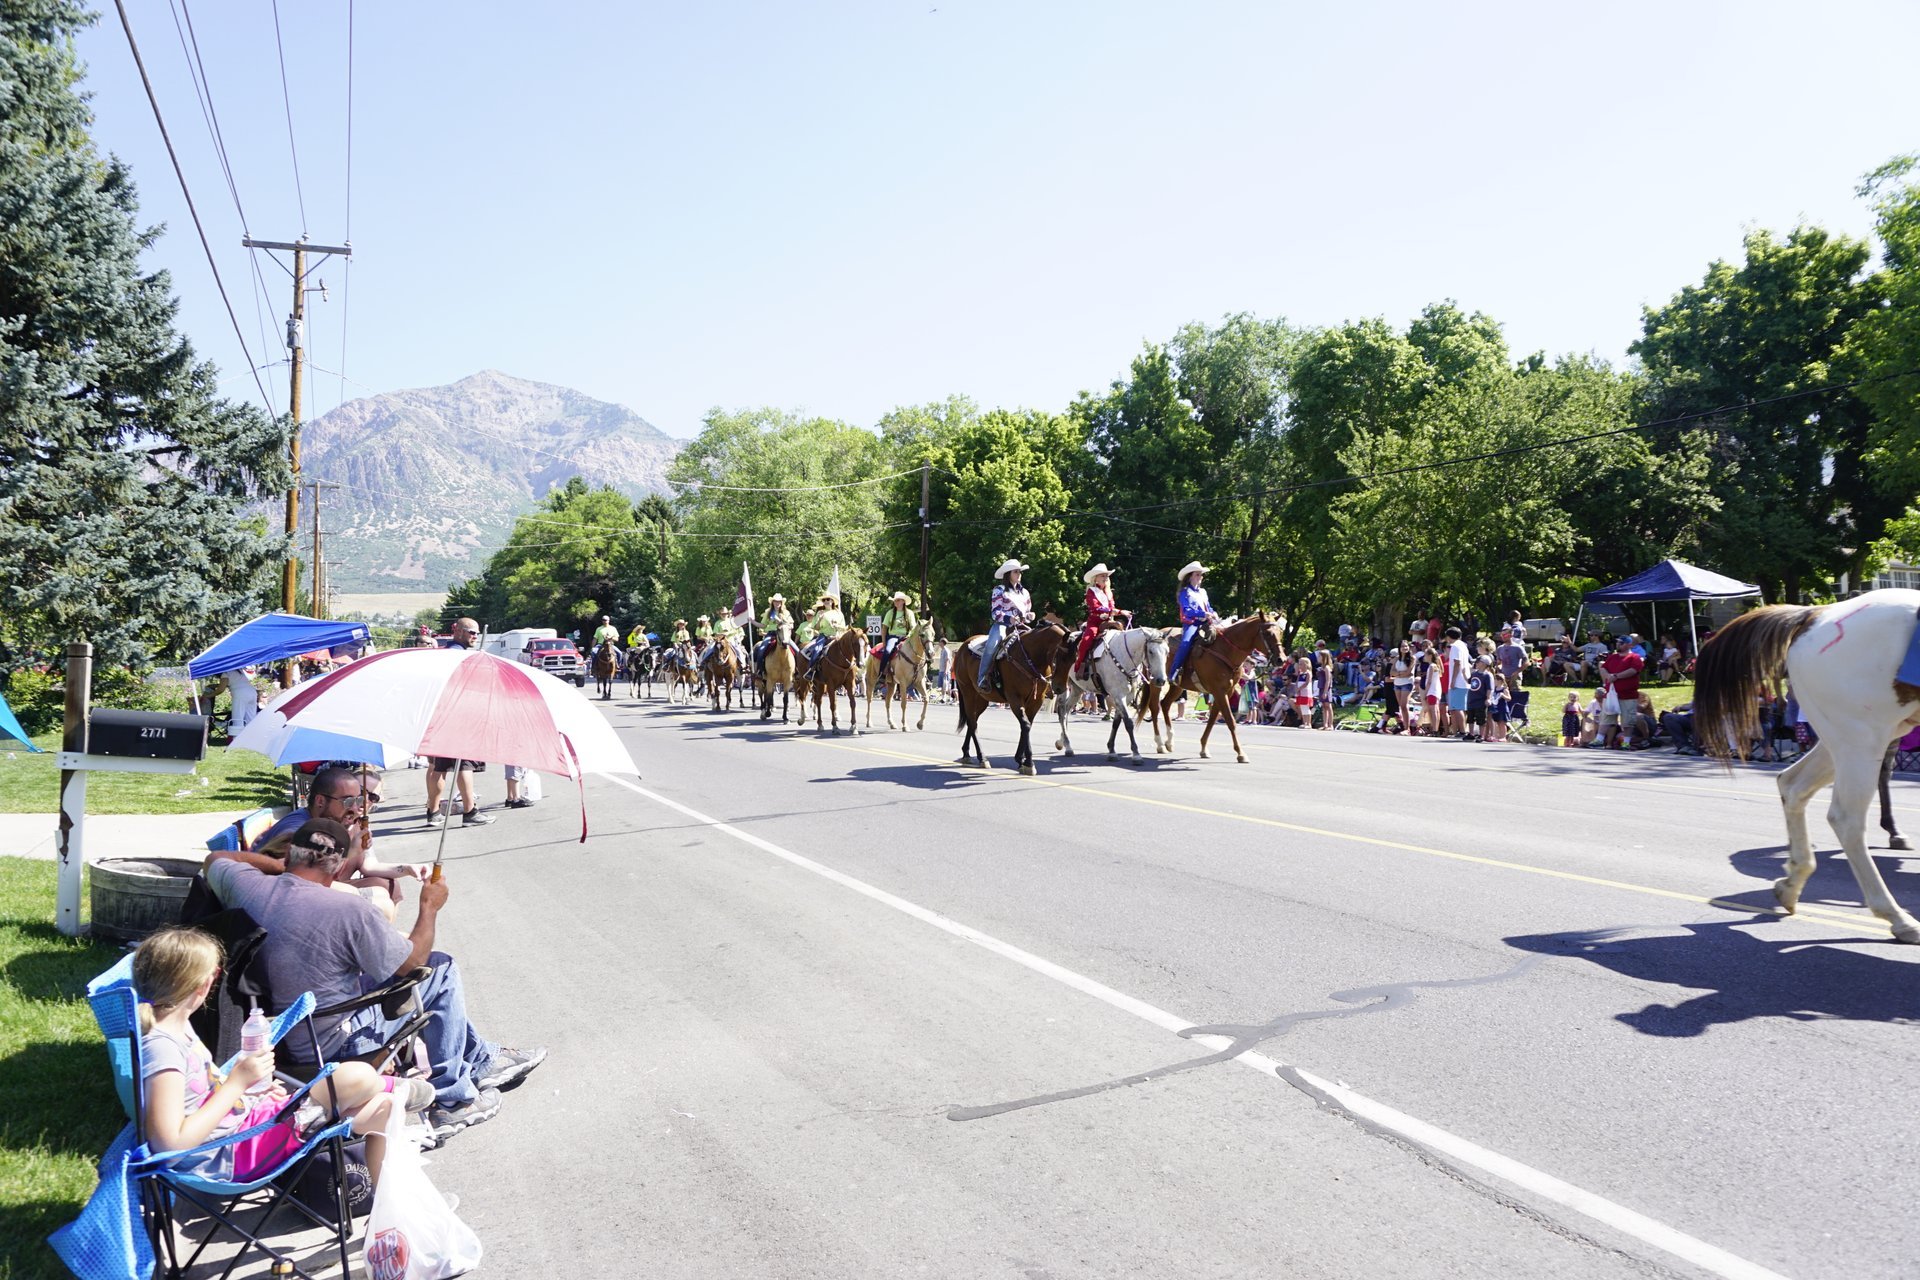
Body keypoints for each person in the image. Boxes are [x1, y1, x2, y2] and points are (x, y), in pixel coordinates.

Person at [205, 818, 546, 1140]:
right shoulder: (349, 911)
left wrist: (281, 869)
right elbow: (413, 964)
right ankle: (453, 1100)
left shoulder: (245, 886)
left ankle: (483, 1058)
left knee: (378, 964)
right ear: (339, 867)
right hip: (331, 1043)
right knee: (439, 970)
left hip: (276, 1030)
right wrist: (429, 907)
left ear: (289, 852)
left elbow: (216, 858)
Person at [132, 925, 422, 1189]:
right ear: (204, 985)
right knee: (354, 1077)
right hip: (233, 1154)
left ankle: (389, 1216)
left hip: (246, 1130)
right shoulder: (162, 1049)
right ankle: (396, 1086)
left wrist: (245, 1092)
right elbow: (169, 1147)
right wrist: (236, 1083)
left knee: (385, 1109)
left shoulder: (177, 1027)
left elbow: (199, 1095)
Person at [426, 618, 493, 828]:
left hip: (442, 716)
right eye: (472, 632)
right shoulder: (461, 655)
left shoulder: (447, 654)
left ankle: (433, 811)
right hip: (458, 716)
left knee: (439, 766)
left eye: (477, 633)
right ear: (460, 632)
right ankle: (470, 811)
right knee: (464, 765)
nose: (475, 636)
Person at [976, 559, 1033, 691]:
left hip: (1021, 625)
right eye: (1016, 572)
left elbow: (1028, 610)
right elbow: (995, 613)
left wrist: (1030, 616)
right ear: (1008, 574)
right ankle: (982, 678)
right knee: (992, 645)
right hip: (1002, 625)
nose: (1019, 574)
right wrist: (1009, 618)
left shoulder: (1025, 593)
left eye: (1020, 572)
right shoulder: (999, 590)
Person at [1167, 562, 1220, 683]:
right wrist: (1203, 614)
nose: (1200, 577)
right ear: (1190, 576)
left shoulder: (1203, 592)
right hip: (1192, 624)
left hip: (1207, 622)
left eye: (1201, 575)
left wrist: (1213, 612)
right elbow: (1187, 610)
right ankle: (1173, 672)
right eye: (1197, 574)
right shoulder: (1184, 592)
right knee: (1185, 643)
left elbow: (1208, 607)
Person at [1072, 565, 1123, 678]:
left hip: (1110, 622)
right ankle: (1079, 666)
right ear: (1095, 578)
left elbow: (1111, 608)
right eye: (1102, 575)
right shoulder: (1091, 592)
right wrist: (1117, 611)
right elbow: (1095, 608)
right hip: (1095, 623)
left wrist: (1116, 612)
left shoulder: (1109, 593)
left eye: (1106, 576)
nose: (1105, 577)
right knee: (1086, 640)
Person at [1599, 634, 1645, 747]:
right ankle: (1598, 740)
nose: (1618, 644)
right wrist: (1607, 676)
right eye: (1617, 642)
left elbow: (1633, 670)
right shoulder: (1612, 657)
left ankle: (1626, 742)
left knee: (1628, 720)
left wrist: (1616, 676)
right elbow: (1604, 667)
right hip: (1611, 694)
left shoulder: (1635, 657)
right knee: (1606, 717)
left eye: (1621, 643)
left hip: (1628, 695)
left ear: (1629, 645)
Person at [752, 594, 796, 678]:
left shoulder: (786, 612)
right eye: (775, 601)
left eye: (779, 601)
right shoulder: (769, 613)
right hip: (771, 634)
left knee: (797, 651)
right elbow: (763, 625)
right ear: (772, 602)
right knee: (761, 649)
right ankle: (760, 671)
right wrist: (752, 621)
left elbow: (792, 625)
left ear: (781, 603)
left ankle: (796, 672)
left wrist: (782, 622)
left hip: (784, 634)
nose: (777, 603)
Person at [879, 590, 919, 674]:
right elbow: (884, 628)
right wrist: (884, 642)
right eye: (895, 600)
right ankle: (882, 671)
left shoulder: (910, 613)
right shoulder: (890, 613)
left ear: (903, 601)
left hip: (906, 637)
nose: (896, 602)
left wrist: (909, 635)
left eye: (898, 600)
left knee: (917, 651)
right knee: (887, 651)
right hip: (893, 637)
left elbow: (913, 628)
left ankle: (918, 672)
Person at [1444, 626, 1472, 738]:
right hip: (1464, 681)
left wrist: (1453, 680)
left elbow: (1457, 663)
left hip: (1458, 681)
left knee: (1458, 708)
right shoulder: (1463, 645)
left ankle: (1462, 731)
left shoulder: (1455, 646)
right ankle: (1456, 731)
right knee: (1456, 708)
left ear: (1449, 636)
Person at [1464, 657, 1492, 742]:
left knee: (1481, 718)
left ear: (1483, 664)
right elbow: (1469, 682)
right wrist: (1464, 674)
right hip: (1472, 699)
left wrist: (1488, 698)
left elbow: (1489, 688)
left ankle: (1481, 735)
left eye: (1478, 662)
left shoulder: (1487, 675)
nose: (1476, 663)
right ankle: (1471, 733)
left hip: (1480, 700)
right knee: (1470, 717)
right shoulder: (1474, 674)